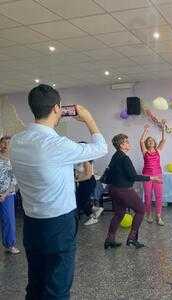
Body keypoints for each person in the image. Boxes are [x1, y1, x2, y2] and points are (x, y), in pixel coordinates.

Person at [10, 84, 108, 299]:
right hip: (58, 224)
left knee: (35, 282)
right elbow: (101, 148)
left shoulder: (16, 141)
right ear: (57, 108)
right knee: (58, 287)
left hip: (31, 222)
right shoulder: (56, 144)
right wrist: (89, 119)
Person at [104, 134, 160, 250]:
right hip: (123, 190)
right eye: (126, 142)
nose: (129, 143)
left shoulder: (115, 156)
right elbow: (133, 176)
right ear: (122, 145)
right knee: (141, 210)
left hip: (113, 189)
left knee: (119, 213)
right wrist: (151, 178)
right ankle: (132, 239)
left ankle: (110, 240)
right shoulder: (124, 158)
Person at [140, 121, 166, 226]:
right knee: (147, 196)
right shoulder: (145, 152)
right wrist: (145, 130)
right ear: (147, 144)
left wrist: (163, 128)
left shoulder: (158, 151)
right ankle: (148, 214)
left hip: (158, 175)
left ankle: (159, 216)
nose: (150, 141)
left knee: (159, 196)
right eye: (149, 141)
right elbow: (141, 140)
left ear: (155, 143)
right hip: (147, 176)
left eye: (152, 141)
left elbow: (163, 140)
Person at [0, 136, 20, 255]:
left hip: (8, 194)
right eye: (3, 143)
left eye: (8, 143)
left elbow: (14, 180)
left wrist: (4, 194)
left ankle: (9, 244)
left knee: (8, 220)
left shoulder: (14, 160)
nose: (5, 146)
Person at [75, 148, 104, 226]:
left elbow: (88, 176)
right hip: (83, 182)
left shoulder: (86, 160)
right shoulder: (81, 160)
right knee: (83, 200)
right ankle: (96, 209)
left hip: (88, 182)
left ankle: (92, 217)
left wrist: (76, 180)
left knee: (82, 200)